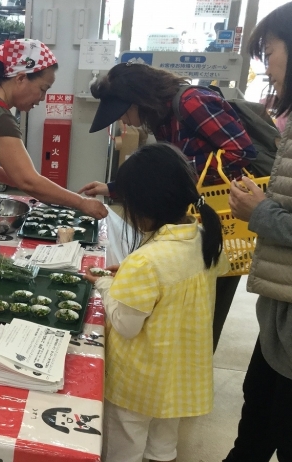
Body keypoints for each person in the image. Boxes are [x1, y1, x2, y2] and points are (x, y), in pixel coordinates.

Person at [79, 62, 257, 352]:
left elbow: (241, 151)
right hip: (190, 218)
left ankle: (190, 357)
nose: (126, 121)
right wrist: (113, 188)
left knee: (205, 302)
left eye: (125, 112)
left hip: (222, 217)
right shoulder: (163, 119)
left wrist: (183, 171)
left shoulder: (191, 102)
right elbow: (160, 174)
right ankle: (171, 356)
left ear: (140, 98)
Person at [84, 143, 228, 462]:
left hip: (138, 380)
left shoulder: (145, 262)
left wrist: (108, 284)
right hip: (179, 375)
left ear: (142, 208)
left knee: (125, 450)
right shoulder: (206, 239)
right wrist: (132, 279)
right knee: (164, 447)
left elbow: (126, 324)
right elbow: (178, 281)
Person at [0, 39, 107, 225]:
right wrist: (82, 203)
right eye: (42, 89)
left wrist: (34, 185)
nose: (42, 99)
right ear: (21, 78)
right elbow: (28, 181)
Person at [224, 1, 292, 462]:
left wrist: (261, 211)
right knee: (256, 420)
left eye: (269, 52)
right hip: (279, 308)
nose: (267, 68)